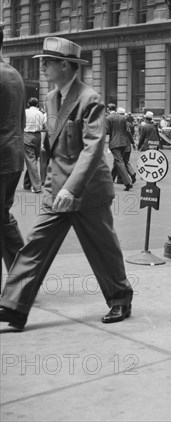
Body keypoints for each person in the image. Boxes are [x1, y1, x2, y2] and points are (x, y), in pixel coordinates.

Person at [0, 37, 134, 331]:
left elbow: (93, 147)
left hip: (88, 192)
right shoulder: (50, 99)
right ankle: (13, 307)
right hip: (57, 189)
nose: (43, 66)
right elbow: (51, 149)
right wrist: (50, 187)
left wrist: (70, 188)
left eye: (47, 62)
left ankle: (120, 298)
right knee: (34, 246)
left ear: (64, 65)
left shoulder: (91, 99)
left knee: (102, 247)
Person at [0, 26, 26, 289]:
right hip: (13, 157)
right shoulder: (14, 73)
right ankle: (24, 280)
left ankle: (23, 280)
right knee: (3, 219)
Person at [106, 104, 134, 190]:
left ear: (108, 109)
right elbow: (128, 131)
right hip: (124, 143)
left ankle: (127, 182)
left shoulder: (108, 118)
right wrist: (132, 142)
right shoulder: (123, 118)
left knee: (119, 162)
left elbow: (107, 131)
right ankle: (110, 180)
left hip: (115, 143)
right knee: (118, 161)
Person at [23, 97, 46, 193]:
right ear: (37, 105)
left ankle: (37, 186)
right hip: (37, 136)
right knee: (33, 160)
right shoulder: (41, 113)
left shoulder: (25, 112)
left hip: (27, 135)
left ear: (28, 104)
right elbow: (45, 127)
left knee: (30, 160)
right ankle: (27, 183)